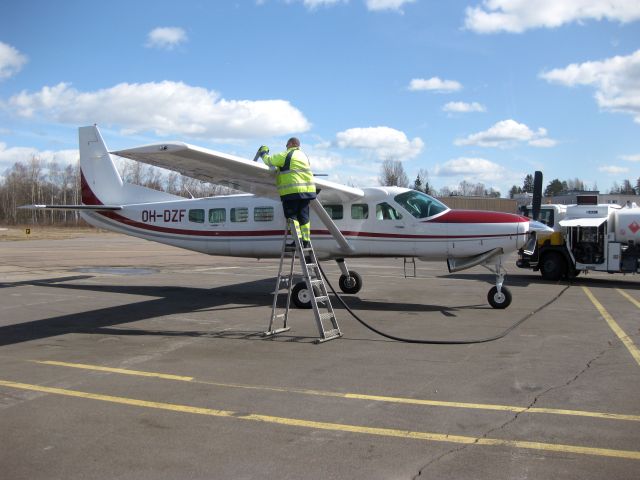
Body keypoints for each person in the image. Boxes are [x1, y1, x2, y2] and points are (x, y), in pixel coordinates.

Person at [255, 138, 316, 248]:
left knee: (292, 216)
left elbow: (269, 160)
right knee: (304, 217)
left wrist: (264, 152)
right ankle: (305, 242)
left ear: (292, 144)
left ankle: (297, 241)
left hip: (292, 191)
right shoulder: (304, 156)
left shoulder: (287, 154)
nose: (286, 146)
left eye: (287, 144)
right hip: (307, 191)